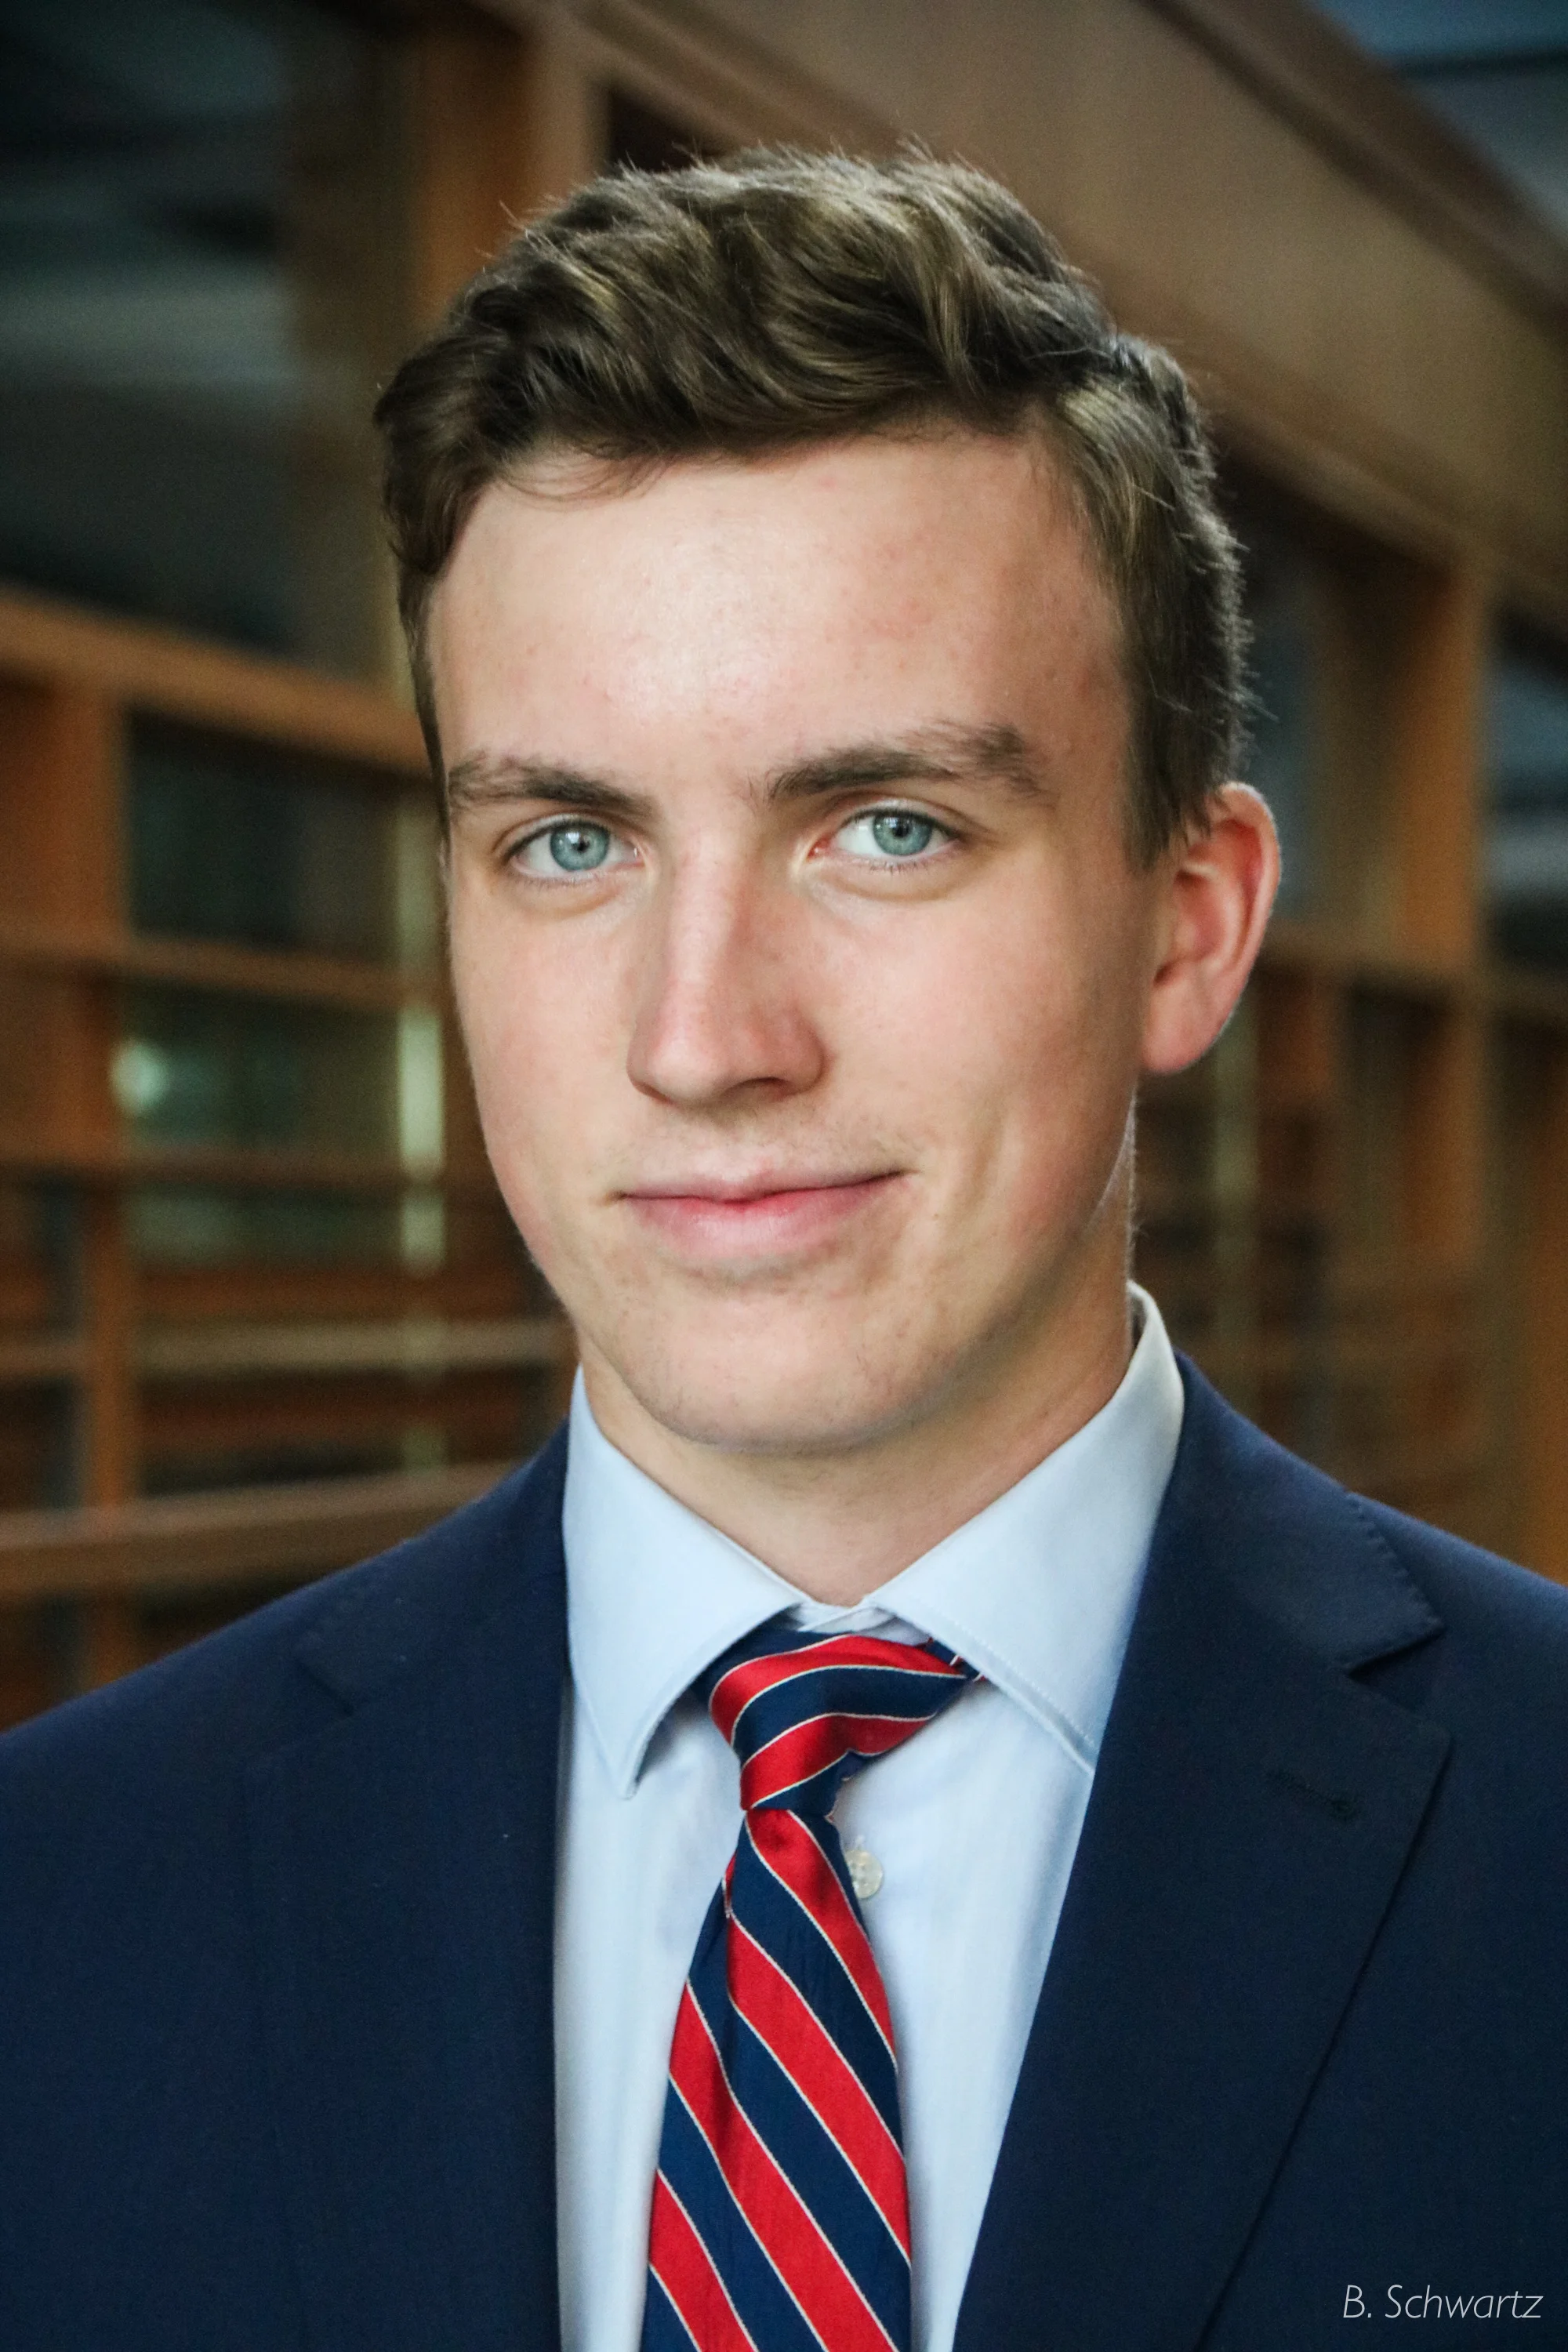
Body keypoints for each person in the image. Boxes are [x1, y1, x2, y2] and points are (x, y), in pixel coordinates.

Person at [2, 149, 1564, 2352]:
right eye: (569, 840)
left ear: (1187, 925)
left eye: (888, 827)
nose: (701, 1038)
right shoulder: (51, 1906)